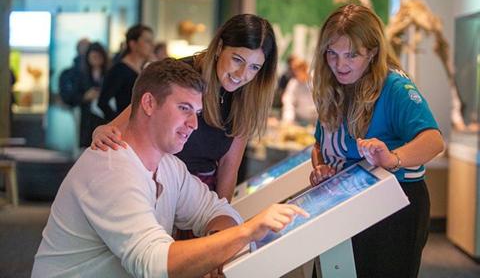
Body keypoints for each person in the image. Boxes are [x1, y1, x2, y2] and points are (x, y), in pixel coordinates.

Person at [32, 59, 308, 278]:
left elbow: (216, 210)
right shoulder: (111, 169)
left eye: (196, 113)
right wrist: (247, 231)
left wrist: (216, 246)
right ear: (149, 103)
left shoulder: (168, 165)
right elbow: (153, 264)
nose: (194, 124)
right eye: (184, 108)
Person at [308, 4, 444, 278]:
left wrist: (392, 159)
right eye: (332, 54)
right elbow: (319, 144)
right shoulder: (331, 85)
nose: (339, 64)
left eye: (351, 55)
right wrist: (321, 167)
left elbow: (433, 140)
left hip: (392, 208)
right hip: (344, 202)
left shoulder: (394, 86)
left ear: (372, 52)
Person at [92, 14, 278, 205]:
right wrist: (103, 131)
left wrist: (221, 216)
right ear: (220, 47)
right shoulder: (181, 73)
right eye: (238, 60)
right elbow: (128, 123)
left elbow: (229, 167)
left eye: (254, 67)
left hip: (200, 196)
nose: (242, 74)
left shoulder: (247, 95)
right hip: (153, 185)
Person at [98, 24, 154, 121]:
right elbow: (103, 102)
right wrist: (118, 123)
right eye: (147, 41)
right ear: (133, 44)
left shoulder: (145, 69)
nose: (152, 46)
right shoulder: (119, 70)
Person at [71, 42, 110, 147]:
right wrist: (86, 96)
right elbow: (74, 96)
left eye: (98, 57)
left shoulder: (109, 74)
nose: (96, 59)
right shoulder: (82, 75)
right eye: (93, 57)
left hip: (104, 114)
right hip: (87, 116)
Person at [281, 58, 317, 126]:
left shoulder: (316, 80)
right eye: (296, 73)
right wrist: (288, 117)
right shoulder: (293, 83)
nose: (298, 76)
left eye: (300, 72)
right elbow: (288, 101)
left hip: (316, 117)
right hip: (300, 118)